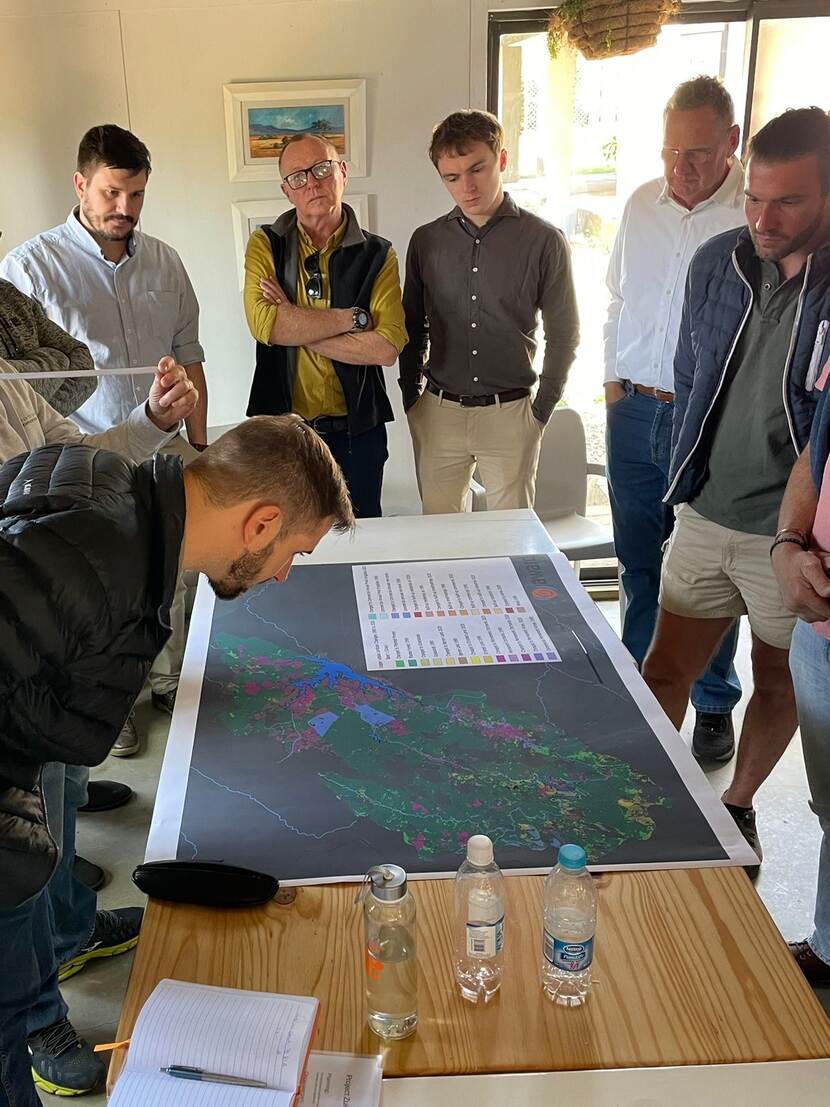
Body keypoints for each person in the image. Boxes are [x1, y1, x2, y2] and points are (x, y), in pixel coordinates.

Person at [0, 413, 354, 1107]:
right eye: (293, 553)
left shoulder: (110, 485)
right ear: (259, 523)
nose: (282, 575)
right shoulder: (103, 559)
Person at [0, 354, 197, 1098]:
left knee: (63, 802)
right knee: (19, 852)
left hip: (51, 640)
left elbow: (79, 460)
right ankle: (38, 1014)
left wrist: (149, 421)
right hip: (14, 661)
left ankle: (71, 928)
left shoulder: (7, 374)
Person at [642, 107, 830, 873]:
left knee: (778, 674)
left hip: (791, 536)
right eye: (754, 197)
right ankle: (654, 802)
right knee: (663, 667)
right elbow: (691, 377)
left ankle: (738, 803)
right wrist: (681, 480)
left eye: (786, 201)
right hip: (706, 511)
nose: (762, 217)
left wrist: (798, 534)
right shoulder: (717, 260)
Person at [0, 123, 208, 751]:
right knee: (99, 589)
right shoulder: (28, 269)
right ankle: (112, 707)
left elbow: (190, 354)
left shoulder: (166, 260)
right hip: (68, 463)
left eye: (137, 195)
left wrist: (194, 439)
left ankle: (166, 679)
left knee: (171, 574)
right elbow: (39, 377)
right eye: (112, 193)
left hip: (151, 439)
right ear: (81, 184)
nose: (124, 209)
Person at [604, 77, 744, 760]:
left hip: (708, 418)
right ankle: (640, 686)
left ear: (731, 143)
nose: (681, 168)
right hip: (633, 409)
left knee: (710, 567)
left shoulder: (753, 217)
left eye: (696, 153)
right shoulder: (639, 205)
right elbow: (617, 297)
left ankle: (713, 699)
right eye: (670, 151)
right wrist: (610, 384)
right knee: (637, 559)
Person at [399, 109, 578, 514]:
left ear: (501, 160)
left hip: (511, 414)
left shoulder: (544, 241)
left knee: (510, 542)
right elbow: (412, 325)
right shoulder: (426, 241)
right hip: (438, 412)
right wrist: (412, 400)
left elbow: (564, 333)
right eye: (452, 177)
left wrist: (540, 411)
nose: (467, 186)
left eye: (477, 168)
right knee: (442, 542)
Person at [244, 132, 407, 518]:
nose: (312, 182)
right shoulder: (266, 243)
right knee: (290, 547)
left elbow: (385, 349)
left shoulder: (377, 254)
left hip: (359, 433)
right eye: (298, 177)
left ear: (343, 173)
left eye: (321, 168)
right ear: (287, 191)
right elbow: (266, 325)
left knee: (362, 540)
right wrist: (351, 319)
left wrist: (296, 322)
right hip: (286, 433)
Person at [772, 367, 830, 988]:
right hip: (819, 627)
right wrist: (789, 542)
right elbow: (819, 447)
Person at [0, 278, 95, 415]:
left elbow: (85, 371)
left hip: (50, 435)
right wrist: (55, 358)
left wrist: (31, 420)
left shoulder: (7, 292)